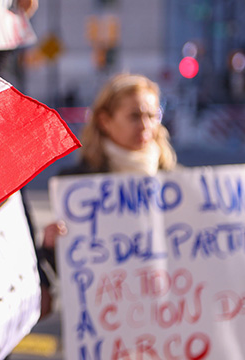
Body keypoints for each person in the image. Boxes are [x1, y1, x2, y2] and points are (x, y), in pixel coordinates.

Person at [38, 73, 178, 317]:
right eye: (135, 116)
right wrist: (52, 247)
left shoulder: (177, 182)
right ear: (105, 121)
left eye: (153, 116)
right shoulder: (77, 185)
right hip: (107, 322)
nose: (146, 126)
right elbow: (75, 274)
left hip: (168, 319)